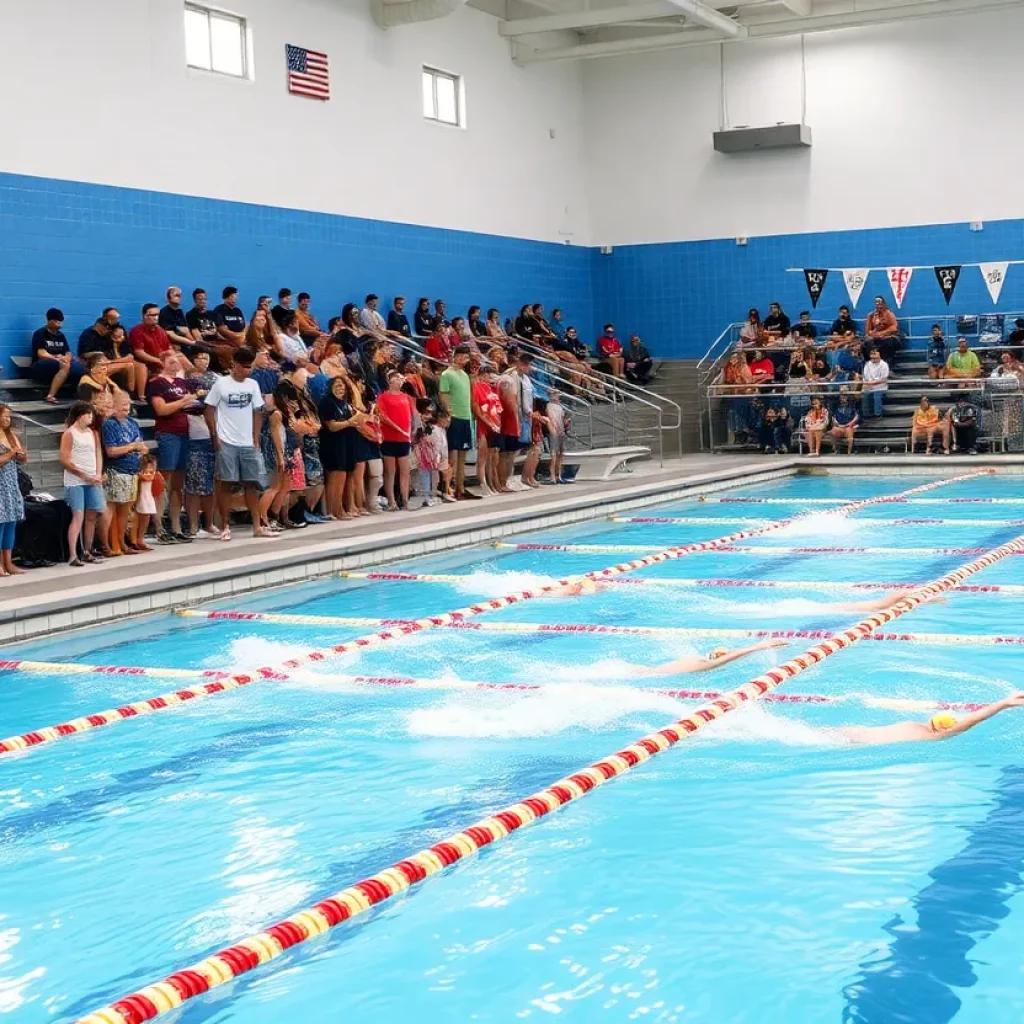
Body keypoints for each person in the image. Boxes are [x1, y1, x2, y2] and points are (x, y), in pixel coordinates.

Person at [204, 348, 268, 541]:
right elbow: (208, 409)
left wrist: (255, 437)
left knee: (251, 484)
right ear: (236, 365)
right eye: (245, 367)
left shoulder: (253, 385)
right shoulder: (221, 384)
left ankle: (257, 526)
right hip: (227, 440)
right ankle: (225, 525)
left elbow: (259, 411)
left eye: (250, 367)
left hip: (247, 441)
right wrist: (215, 434)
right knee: (226, 484)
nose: (248, 371)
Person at [837, 692, 1024, 746]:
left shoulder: (931, 736)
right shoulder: (928, 734)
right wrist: (1003, 704)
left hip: (850, 738)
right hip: (850, 738)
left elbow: (970, 720)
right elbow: (971, 720)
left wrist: (1003, 703)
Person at [147, 350, 199, 543]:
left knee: (178, 484)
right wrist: (184, 401)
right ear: (162, 363)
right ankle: (159, 526)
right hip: (168, 432)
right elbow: (161, 409)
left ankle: (176, 526)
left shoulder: (180, 382)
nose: (175, 366)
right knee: (163, 480)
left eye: (177, 362)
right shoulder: (156, 384)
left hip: (184, 431)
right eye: (171, 362)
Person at [60, 401, 109, 566]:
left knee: (93, 513)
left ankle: (87, 550)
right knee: (78, 516)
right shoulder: (70, 433)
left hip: (92, 478)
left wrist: (97, 473)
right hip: (76, 481)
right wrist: (83, 475)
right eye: (89, 415)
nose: (91, 418)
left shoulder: (92, 433)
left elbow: (98, 453)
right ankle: (73, 554)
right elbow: (65, 460)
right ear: (81, 415)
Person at [102, 391, 147, 556]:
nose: (125, 409)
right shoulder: (110, 424)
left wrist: (141, 449)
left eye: (128, 406)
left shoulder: (132, 423)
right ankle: (105, 544)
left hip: (132, 471)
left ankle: (122, 542)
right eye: (122, 406)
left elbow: (140, 443)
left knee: (125, 511)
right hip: (117, 471)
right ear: (113, 406)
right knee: (111, 509)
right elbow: (111, 451)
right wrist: (132, 447)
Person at [184, 352, 219, 539]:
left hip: (211, 437)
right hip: (194, 438)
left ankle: (210, 522)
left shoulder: (215, 385)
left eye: (206, 358)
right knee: (193, 485)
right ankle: (193, 524)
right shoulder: (186, 388)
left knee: (210, 485)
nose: (203, 362)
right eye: (199, 358)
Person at [632, 638, 789, 677]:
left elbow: (726, 657)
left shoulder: (699, 659)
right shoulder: (702, 663)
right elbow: (725, 659)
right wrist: (758, 646)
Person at [439, 345, 478, 500]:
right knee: (451, 456)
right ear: (455, 356)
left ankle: (461, 488)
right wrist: (449, 412)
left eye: (466, 357)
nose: (463, 359)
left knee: (463, 455)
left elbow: (468, 397)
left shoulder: (465, 375)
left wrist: (471, 415)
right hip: (454, 417)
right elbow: (443, 394)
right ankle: (448, 487)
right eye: (460, 356)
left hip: (465, 417)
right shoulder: (447, 374)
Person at [131, 302, 185, 402]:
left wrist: (171, 359)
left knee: (180, 358)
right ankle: (141, 399)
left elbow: (169, 348)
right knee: (142, 367)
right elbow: (139, 353)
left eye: (157, 315)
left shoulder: (161, 330)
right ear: (144, 316)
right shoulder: (136, 331)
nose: (156, 317)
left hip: (162, 360)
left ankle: (185, 387)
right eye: (152, 315)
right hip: (146, 363)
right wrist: (157, 360)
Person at [30, 308, 85, 404]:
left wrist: (67, 358)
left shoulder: (61, 335)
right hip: (41, 364)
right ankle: (50, 395)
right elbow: (41, 353)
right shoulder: (40, 333)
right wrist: (57, 358)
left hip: (60, 363)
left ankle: (77, 393)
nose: (59, 324)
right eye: (56, 321)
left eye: (60, 321)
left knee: (80, 367)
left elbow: (68, 352)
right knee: (64, 365)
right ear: (49, 320)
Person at [377, 369, 413, 512]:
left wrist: (408, 432)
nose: (400, 380)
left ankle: (405, 499)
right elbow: (383, 416)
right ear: (391, 380)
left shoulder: (406, 397)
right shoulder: (383, 397)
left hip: (404, 437)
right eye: (397, 378)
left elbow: (410, 416)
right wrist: (398, 428)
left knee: (405, 470)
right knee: (390, 471)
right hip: (390, 437)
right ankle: (391, 501)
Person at [78, 308, 136, 392]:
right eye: (102, 330)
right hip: (96, 365)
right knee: (103, 366)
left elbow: (129, 356)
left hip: (110, 362)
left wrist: (116, 345)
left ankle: (130, 393)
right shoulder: (88, 334)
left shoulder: (113, 332)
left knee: (131, 365)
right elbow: (82, 354)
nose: (105, 332)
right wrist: (98, 354)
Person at [0, 404, 27, 577]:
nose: (7, 419)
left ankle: (8, 562)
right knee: (0, 523)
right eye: (4, 415)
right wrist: (11, 454)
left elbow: (23, 459)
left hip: (11, 483)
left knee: (11, 523)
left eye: (9, 416)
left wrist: (21, 454)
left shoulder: (11, 436)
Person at [469, 358, 503, 496]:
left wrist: (497, 424)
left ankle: (491, 482)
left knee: (492, 456)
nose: (490, 377)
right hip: (484, 425)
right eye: (488, 375)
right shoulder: (476, 388)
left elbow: (497, 408)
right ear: (481, 375)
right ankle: (482, 483)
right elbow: (478, 410)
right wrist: (490, 423)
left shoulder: (490, 388)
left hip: (495, 424)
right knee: (483, 456)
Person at [159, 286, 198, 359]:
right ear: (168, 298)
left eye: (180, 296)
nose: (179, 297)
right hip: (171, 344)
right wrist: (192, 343)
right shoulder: (164, 313)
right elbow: (171, 336)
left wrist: (195, 342)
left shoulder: (179, 311)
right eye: (176, 295)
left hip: (184, 342)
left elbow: (186, 331)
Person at [131, 454, 158, 553]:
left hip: (148, 497)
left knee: (146, 517)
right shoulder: (139, 474)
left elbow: (150, 477)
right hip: (140, 496)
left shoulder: (151, 473)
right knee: (137, 518)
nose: (150, 468)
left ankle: (140, 538)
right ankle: (135, 540)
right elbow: (145, 478)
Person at [865, 296, 900, 364]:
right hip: (875, 337)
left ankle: (887, 365)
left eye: (880, 303)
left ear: (884, 304)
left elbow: (894, 327)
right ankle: (870, 364)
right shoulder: (871, 315)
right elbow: (867, 331)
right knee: (867, 342)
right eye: (877, 303)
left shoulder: (889, 314)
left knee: (887, 342)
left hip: (888, 337)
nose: (878, 305)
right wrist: (873, 333)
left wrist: (882, 333)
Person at [213, 286, 247, 350]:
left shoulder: (238, 310)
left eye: (235, 297)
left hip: (241, 338)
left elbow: (244, 327)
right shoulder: (219, 310)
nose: (235, 299)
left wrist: (242, 335)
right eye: (232, 297)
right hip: (227, 340)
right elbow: (221, 329)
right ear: (226, 298)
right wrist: (236, 336)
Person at [545, 391, 568, 485]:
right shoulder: (549, 405)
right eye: (556, 394)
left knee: (561, 454)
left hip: (561, 431)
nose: (558, 396)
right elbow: (550, 418)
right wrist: (553, 430)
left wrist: (565, 424)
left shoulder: (560, 406)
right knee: (554, 454)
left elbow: (562, 418)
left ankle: (558, 475)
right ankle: (552, 476)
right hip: (554, 431)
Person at [861, 348, 889, 419]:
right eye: (872, 356)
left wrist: (873, 382)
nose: (873, 358)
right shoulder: (867, 364)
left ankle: (878, 415)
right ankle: (866, 415)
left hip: (880, 387)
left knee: (877, 396)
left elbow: (884, 379)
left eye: (875, 356)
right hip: (868, 386)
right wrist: (867, 383)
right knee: (864, 396)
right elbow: (865, 376)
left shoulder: (884, 365)